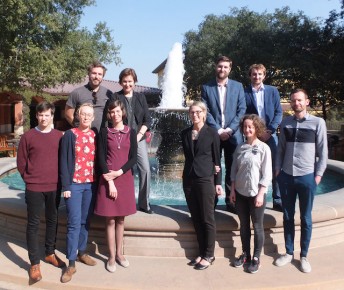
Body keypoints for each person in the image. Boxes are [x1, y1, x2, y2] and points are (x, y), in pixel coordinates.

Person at [274, 89, 328, 273]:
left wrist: (318, 175)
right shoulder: (286, 123)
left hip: (307, 176)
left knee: (306, 218)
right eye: (293, 101)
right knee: (288, 216)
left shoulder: (318, 123)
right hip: (286, 176)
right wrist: (277, 170)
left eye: (299, 100)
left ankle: (304, 255)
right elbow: (280, 149)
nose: (296, 103)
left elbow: (323, 152)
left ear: (307, 101)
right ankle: (289, 252)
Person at [17, 101, 65, 282]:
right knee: (33, 225)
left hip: (54, 186)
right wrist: (28, 179)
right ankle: (34, 263)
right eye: (41, 115)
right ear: (36, 116)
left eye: (47, 115)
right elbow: (21, 162)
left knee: (53, 221)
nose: (44, 118)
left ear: (52, 116)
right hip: (34, 187)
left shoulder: (59, 136)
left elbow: (64, 160)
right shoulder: (28, 137)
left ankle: (50, 253)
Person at [94, 100, 137, 273]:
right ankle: (111, 256)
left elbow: (133, 158)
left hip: (124, 178)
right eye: (112, 112)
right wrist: (110, 180)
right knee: (110, 219)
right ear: (108, 115)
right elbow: (101, 158)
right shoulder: (104, 132)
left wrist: (118, 173)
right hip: (107, 179)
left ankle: (120, 254)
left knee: (121, 219)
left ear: (123, 112)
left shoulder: (131, 132)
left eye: (118, 111)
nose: (115, 114)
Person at [181, 101, 223, 270]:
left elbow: (217, 159)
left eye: (198, 112)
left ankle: (209, 254)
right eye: (192, 112)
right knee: (196, 218)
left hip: (206, 178)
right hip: (189, 179)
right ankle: (201, 252)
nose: (195, 115)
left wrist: (218, 182)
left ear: (204, 113)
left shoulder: (212, 133)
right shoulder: (185, 133)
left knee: (207, 218)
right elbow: (189, 155)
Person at [201, 55, 246, 212]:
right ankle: (211, 200)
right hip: (214, 134)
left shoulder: (238, 86)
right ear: (216, 67)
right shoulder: (207, 87)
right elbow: (204, 111)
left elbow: (242, 110)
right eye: (220, 66)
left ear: (230, 68)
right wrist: (219, 130)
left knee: (233, 168)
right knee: (213, 166)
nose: (222, 69)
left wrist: (230, 129)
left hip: (234, 135)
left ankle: (231, 201)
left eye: (225, 67)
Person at [59, 103, 98, 283]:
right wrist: (66, 186)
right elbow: (64, 161)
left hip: (90, 185)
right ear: (78, 115)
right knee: (74, 223)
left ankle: (82, 251)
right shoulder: (70, 135)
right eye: (83, 114)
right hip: (74, 185)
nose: (86, 117)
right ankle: (71, 263)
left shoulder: (95, 134)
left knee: (85, 221)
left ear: (93, 117)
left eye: (89, 115)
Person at [106, 68, 153, 214]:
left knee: (145, 169)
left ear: (135, 82)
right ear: (120, 82)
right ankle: (122, 201)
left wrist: (139, 135)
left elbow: (147, 120)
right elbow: (111, 118)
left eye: (130, 81)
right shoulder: (115, 96)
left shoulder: (141, 98)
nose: (127, 84)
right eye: (125, 81)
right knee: (123, 170)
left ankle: (144, 203)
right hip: (121, 138)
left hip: (138, 138)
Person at [230, 114, 272, 274]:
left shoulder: (264, 148)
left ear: (256, 128)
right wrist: (232, 190)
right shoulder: (239, 148)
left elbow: (267, 174)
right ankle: (245, 254)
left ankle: (256, 258)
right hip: (240, 192)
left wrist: (261, 194)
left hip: (256, 194)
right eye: (245, 127)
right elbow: (233, 170)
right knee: (244, 227)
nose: (247, 129)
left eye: (250, 127)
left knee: (258, 226)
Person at [245, 64, 283, 211]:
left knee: (275, 167)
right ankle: (255, 198)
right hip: (252, 136)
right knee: (253, 167)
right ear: (250, 75)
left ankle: (277, 199)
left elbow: (278, 112)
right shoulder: (245, 92)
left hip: (270, 134)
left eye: (260, 74)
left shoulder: (273, 91)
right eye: (254, 74)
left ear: (264, 75)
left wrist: (270, 130)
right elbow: (244, 113)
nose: (257, 76)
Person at [65, 61, 113, 133]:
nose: (96, 77)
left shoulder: (108, 94)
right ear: (89, 74)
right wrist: (79, 129)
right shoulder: (77, 93)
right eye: (94, 73)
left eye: (100, 74)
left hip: (102, 135)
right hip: (82, 136)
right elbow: (68, 114)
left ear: (103, 76)